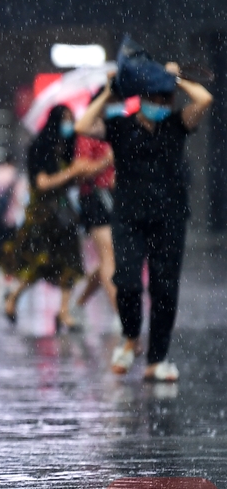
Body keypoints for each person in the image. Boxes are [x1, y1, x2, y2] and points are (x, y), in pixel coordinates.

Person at [76, 64, 212, 381]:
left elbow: (204, 99)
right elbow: (84, 124)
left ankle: (157, 359)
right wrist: (111, 90)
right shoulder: (121, 126)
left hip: (170, 217)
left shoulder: (177, 124)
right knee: (127, 280)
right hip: (128, 218)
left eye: (166, 100)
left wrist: (174, 79)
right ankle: (130, 337)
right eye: (155, 98)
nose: (161, 105)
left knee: (165, 288)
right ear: (141, 98)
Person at [0, 105, 86, 331]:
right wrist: (71, 172)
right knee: (38, 264)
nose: (68, 125)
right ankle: (13, 299)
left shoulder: (68, 148)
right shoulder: (40, 148)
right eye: (64, 120)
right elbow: (42, 183)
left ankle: (64, 312)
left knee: (70, 263)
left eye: (71, 119)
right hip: (43, 215)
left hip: (65, 214)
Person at [72, 124, 119, 332]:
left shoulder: (120, 129)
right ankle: (121, 314)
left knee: (110, 260)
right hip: (96, 199)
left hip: (118, 198)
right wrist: (107, 161)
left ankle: (80, 301)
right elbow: (81, 173)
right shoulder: (88, 135)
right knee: (109, 255)